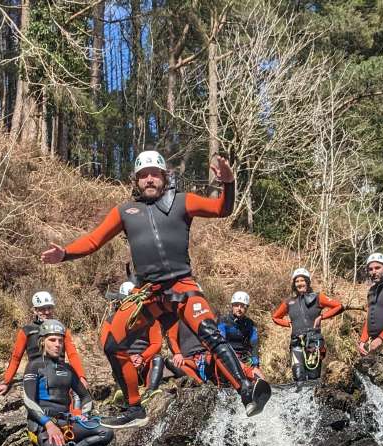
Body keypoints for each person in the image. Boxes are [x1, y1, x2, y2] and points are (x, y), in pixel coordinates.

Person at [40, 150, 270, 428]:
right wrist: (64, 253)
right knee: (113, 343)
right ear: (136, 180)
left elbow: (223, 208)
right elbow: (93, 241)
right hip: (149, 294)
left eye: (154, 174)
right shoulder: (126, 211)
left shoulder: (183, 202)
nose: (149, 179)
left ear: (164, 176)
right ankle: (135, 407)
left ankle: (246, 390)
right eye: (143, 175)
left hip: (182, 286)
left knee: (209, 333)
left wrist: (229, 183)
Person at [21, 320, 113, 446]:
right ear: (42, 342)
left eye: (60, 341)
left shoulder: (67, 369)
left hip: (66, 421)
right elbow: (28, 401)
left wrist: (82, 414)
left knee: (106, 431)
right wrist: (48, 424)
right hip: (39, 425)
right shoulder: (34, 366)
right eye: (52, 340)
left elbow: (86, 397)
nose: (57, 344)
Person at [0, 291, 88, 397]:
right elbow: (16, 357)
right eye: (42, 309)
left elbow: (72, 355)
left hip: (59, 373)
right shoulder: (27, 331)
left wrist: (81, 377)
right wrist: (6, 382)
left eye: (49, 308)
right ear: (35, 310)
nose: (47, 312)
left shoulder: (62, 329)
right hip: (36, 374)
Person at [271, 269, 343, 381]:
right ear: (294, 284)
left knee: (313, 377)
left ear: (308, 282)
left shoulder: (318, 297)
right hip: (296, 342)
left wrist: (321, 317)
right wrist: (288, 323)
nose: (300, 283)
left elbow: (338, 306)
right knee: (298, 376)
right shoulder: (289, 302)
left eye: (303, 280)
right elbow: (275, 317)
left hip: (314, 342)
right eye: (297, 281)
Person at [100, 281, 166, 395]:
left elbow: (157, 343)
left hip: (145, 363)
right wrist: (127, 358)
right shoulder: (110, 321)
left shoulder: (150, 319)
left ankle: (151, 391)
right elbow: (107, 347)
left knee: (157, 359)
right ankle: (122, 393)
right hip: (123, 361)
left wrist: (142, 357)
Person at [218, 292, 263, 382]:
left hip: (244, 358)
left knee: (259, 378)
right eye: (236, 305)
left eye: (242, 306)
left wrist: (255, 365)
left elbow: (254, 344)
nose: (239, 308)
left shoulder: (250, 324)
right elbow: (221, 344)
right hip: (227, 357)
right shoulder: (223, 321)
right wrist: (235, 361)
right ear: (232, 306)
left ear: (246, 308)